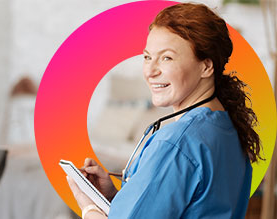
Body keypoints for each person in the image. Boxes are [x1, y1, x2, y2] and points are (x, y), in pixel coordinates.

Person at [67, 3, 261, 219]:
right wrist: (117, 197)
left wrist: (88, 205)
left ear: (206, 66)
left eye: (167, 58)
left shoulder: (176, 144)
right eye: (148, 57)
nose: (150, 71)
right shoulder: (228, 129)